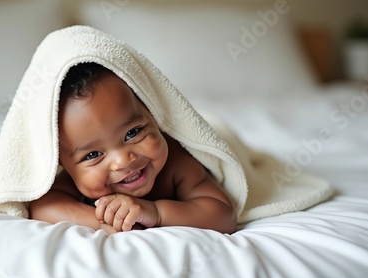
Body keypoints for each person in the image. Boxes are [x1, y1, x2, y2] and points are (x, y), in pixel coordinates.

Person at [29, 63, 236, 234]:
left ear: (153, 113)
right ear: (59, 161)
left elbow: (223, 215)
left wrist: (157, 213)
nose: (123, 160)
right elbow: (43, 207)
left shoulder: (177, 162)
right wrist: (104, 222)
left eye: (133, 132)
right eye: (93, 155)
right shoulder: (75, 179)